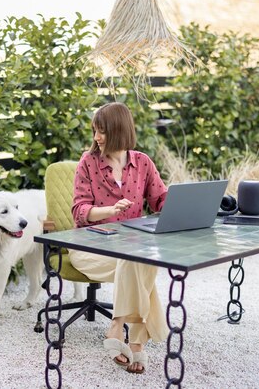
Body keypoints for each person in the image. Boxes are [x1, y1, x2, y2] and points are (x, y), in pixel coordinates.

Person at [70, 102, 168, 374]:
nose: (96, 138)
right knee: (140, 261)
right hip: (89, 246)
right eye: (95, 131)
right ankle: (136, 343)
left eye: (101, 131)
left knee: (135, 259)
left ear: (118, 131)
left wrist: (186, 204)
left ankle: (120, 329)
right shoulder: (88, 164)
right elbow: (79, 212)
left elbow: (161, 200)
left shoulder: (143, 163)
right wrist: (108, 211)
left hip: (128, 250)